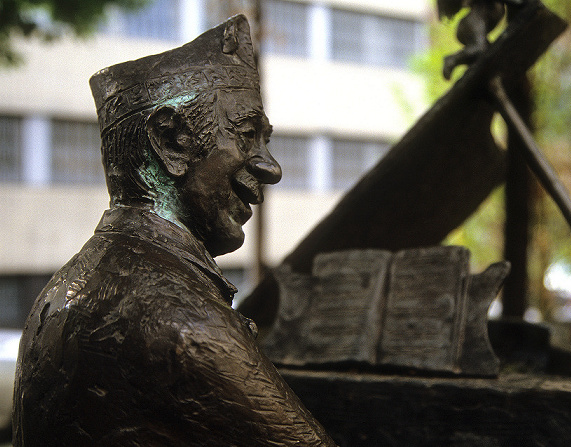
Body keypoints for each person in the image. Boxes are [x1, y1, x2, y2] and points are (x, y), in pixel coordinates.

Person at [13, 15, 336, 447]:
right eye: (245, 136)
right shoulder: (184, 322)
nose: (271, 168)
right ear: (171, 142)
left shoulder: (66, 285)